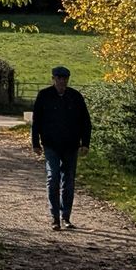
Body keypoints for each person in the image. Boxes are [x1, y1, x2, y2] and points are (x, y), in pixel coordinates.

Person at [30, 65, 92, 229]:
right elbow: (36, 121)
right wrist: (35, 143)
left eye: (64, 78)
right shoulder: (44, 95)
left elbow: (85, 121)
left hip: (71, 145)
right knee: (53, 177)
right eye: (59, 78)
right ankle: (54, 217)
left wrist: (85, 143)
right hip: (51, 144)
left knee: (69, 181)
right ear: (54, 79)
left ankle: (66, 216)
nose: (62, 81)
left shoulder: (75, 97)